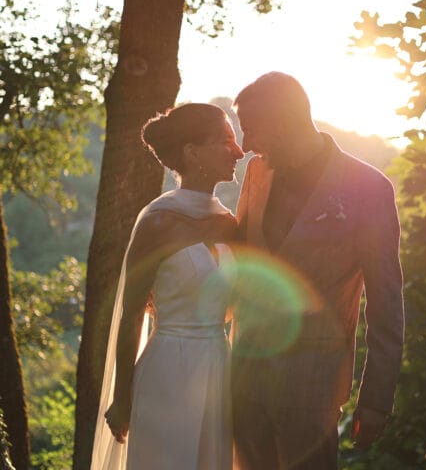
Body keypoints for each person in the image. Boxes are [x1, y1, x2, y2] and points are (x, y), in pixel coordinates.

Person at [231, 71, 404, 469]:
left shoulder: (369, 188)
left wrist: (376, 400)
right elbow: (239, 257)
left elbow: (385, 304)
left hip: (312, 385)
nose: (245, 146)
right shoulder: (257, 172)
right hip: (243, 379)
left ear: (283, 122)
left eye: (251, 130)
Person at [90, 103, 244, 470]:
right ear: (192, 152)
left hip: (219, 371)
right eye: (225, 141)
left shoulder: (230, 224)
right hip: (168, 372)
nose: (238, 151)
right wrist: (122, 396)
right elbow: (129, 316)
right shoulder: (158, 223)